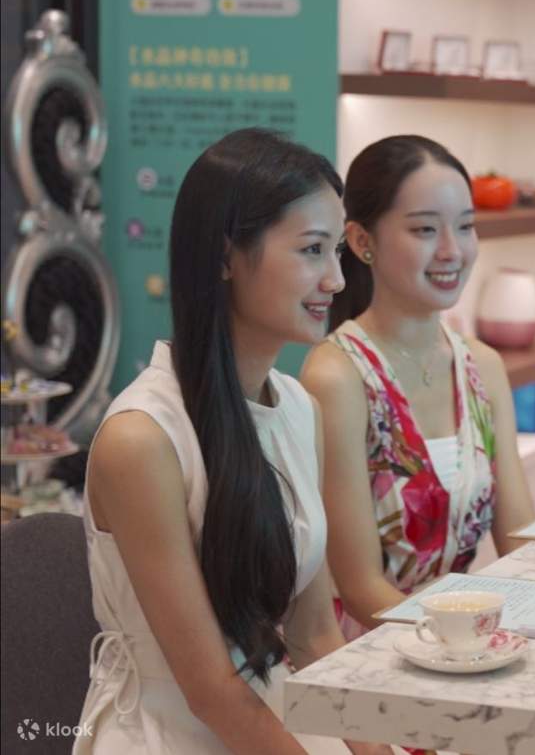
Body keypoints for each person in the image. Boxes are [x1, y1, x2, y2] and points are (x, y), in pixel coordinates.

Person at [74, 129, 389, 754]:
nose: (334, 279)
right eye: (311, 250)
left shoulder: (299, 408)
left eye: (337, 252)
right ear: (223, 256)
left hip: (272, 715)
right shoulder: (141, 440)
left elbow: (315, 637)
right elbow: (208, 687)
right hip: (169, 732)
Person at [300, 135, 535, 638]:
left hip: (464, 644)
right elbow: (361, 587)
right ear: (362, 242)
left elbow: (520, 543)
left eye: (466, 227)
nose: (452, 251)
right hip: (370, 650)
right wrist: (471, 636)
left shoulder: (482, 366)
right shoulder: (336, 376)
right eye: (425, 229)